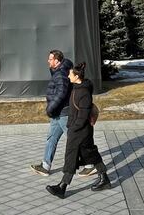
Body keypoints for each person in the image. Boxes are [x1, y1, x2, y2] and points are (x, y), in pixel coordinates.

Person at [46, 62, 111, 199]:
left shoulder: (83, 92)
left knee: (71, 156)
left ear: (76, 76)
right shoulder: (77, 87)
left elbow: (83, 115)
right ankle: (104, 179)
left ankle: (62, 187)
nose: (68, 76)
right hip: (80, 131)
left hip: (80, 132)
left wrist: (73, 129)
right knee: (90, 154)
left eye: (70, 74)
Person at [31, 49, 81, 175]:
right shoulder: (58, 71)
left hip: (63, 113)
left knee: (74, 139)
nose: (48, 61)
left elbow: (61, 93)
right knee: (51, 138)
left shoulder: (60, 74)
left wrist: (50, 108)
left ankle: (91, 163)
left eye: (50, 59)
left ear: (57, 61)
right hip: (57, 113)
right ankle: (45, 166)